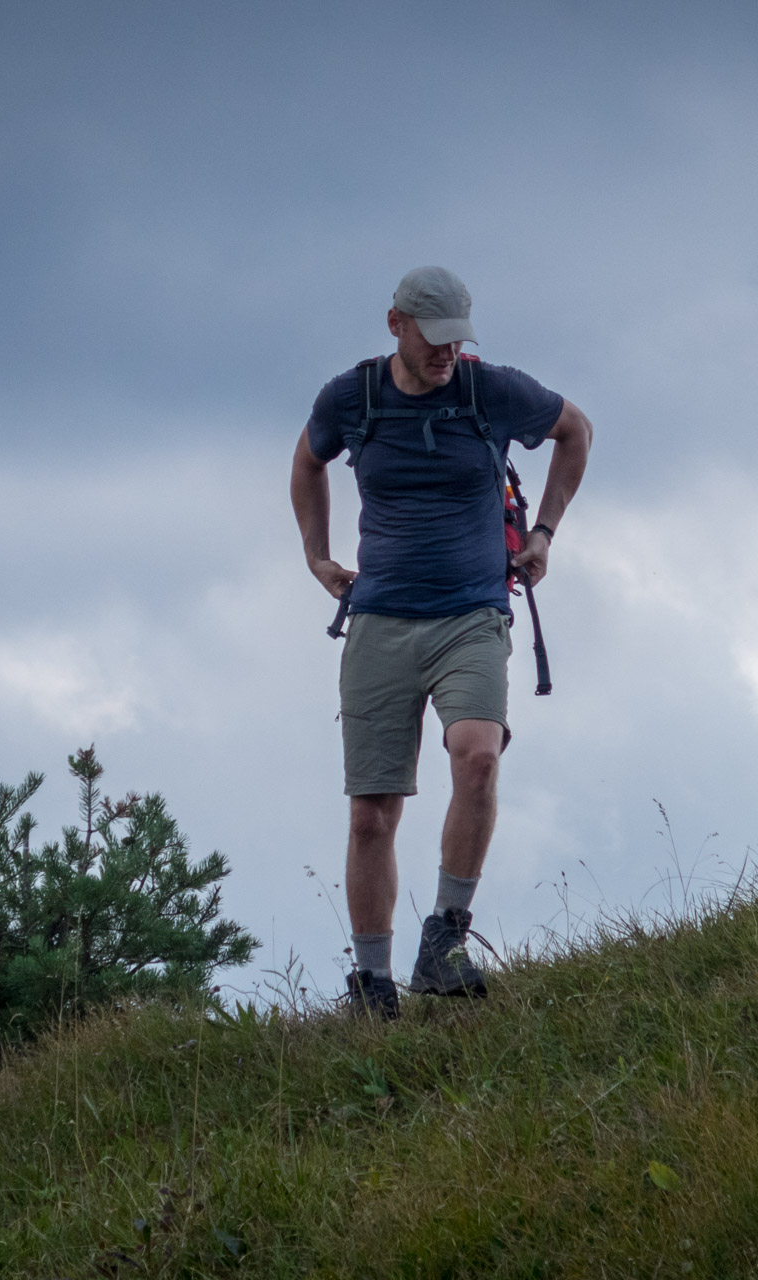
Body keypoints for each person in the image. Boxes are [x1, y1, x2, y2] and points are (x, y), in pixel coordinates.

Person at [288, 266, 594, 1019]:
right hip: (382, 619)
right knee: (371, 815)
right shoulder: (350, 399)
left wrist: (545, 532)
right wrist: (316, 555)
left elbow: (574, 431)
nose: (447, 354)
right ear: (396, 324)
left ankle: (446, 934)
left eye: (459, 340)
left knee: (479, 754)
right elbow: (306, 462)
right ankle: (373, 987)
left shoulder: (490, 391)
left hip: (472, 612)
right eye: (434, 339)